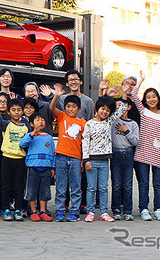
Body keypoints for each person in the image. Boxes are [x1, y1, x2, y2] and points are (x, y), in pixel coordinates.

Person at [81, 93, 129, 222]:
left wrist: (124, 93)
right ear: (97, 108)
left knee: (103, 188)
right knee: (91, 188)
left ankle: (104, 212)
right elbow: (85, 142)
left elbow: (122, 109)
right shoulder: (89, 124)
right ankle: (90, 212)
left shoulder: (108, 122)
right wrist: (86, 160)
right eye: (103, 108)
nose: (105, 112)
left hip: (104, 161)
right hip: (91, 160)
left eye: (108, 110)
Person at [131, 71, 160, 221]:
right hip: (142, 152)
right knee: (143, 183)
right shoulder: (144, 112)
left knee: (158, 184)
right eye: (148, 97)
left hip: (157, 153)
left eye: (153, 96)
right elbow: (134, 95)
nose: (151, 99)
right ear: (146, 101)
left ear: (158, 98)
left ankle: (158, 209)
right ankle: (144, 209)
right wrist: (141, 80)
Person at [50, 83, 86, 222]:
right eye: (68, 106)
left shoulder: (83, 123)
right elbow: (52, 108)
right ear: (65, 108)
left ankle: (75, 211)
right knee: (61, 185)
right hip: (61, 156)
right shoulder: (62, 116)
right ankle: (60, 211)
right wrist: (57, 96)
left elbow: (85, 143)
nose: (71, 109)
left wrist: (83, 159)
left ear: (79, 108)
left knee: (76, 186)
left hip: (76, 158)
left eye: (74, 106)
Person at [0, 97, 30, 221]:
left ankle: (18, 210)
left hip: (20, 159)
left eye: (19, 110)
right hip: (7, 158)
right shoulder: (6, 124)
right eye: (13, 110)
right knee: (5, 185)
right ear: (9, 111)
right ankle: (6, 209)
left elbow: (30, 138)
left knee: (19, 186)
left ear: (23, 111)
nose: (16, 112)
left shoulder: (25, 127)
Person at [19, 113, 55, 222]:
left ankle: (43, 211)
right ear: (31, 123)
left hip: (46, 168)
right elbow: (22, 144)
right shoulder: (30, 135)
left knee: (45, 191)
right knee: (31, 190)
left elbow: (53, 153)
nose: (41, 122)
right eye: (38, 120)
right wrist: (32, 135)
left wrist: (53, 167)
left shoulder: (49, 137)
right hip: (33, 168)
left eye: (42, 120)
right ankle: (33, 212)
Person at [110, 97, 139, 221]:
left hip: (128, 154)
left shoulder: (133, 124)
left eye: (122, 106)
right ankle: (116, 209)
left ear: (128, 107)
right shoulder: (112, 122)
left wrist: (126, 130)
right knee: (116, 184)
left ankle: (127, 210)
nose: (119, 109)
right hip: (115, 153)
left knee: (127, 185)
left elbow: (135, 141)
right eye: (117, 107)